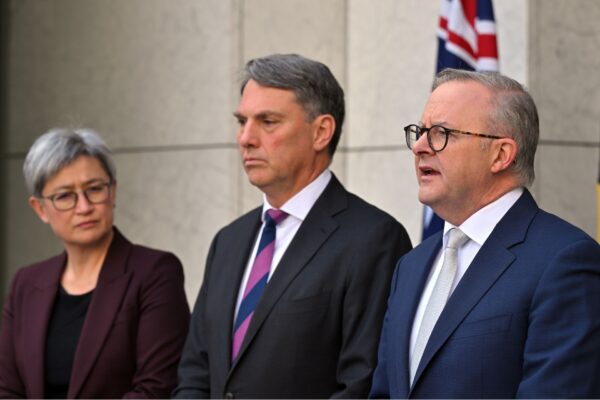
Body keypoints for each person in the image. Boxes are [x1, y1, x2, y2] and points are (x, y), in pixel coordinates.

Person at [173, 53, 412, 399]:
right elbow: (195, 373)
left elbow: (362, 385)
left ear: (321, 132)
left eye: (268, 121)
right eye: (242, 121)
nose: (246, 138)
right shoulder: (228, 242)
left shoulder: (374, 240)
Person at [370, 68, 600, 398]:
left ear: (501, 154)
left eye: (441, 133)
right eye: (419, 131)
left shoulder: (565, 262)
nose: (419, 146)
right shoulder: (411, 266)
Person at [0, 128, 190, 398]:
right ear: (40, 209)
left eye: (94, 189)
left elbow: (155, 388)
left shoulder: (155, 273)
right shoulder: (26, 283)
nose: (84, 207)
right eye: (65, 196)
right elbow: (7, 390)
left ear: (112, 191)